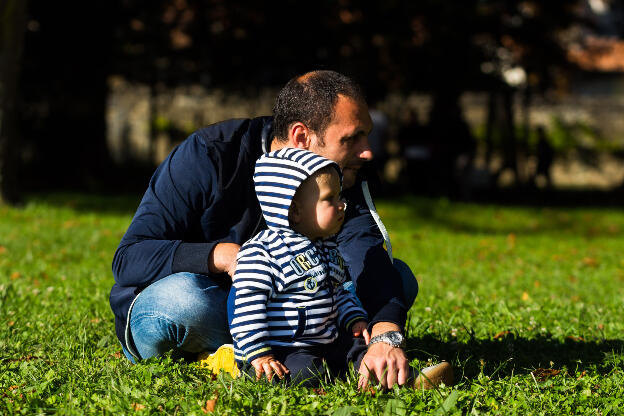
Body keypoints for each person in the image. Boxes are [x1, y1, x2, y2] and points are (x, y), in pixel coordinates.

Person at [110, 70, 452, 389]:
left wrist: (384, 335)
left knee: (397, 279)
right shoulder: (209, 155)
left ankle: (358, 362)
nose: (367, 152)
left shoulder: (339, 176)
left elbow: (364, 252)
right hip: (206, 304)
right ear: (301, 135)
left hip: (287, 310)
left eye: (367, 135)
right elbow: (129, 258)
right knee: (185, 300)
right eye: (353, 138)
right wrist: (224, 257)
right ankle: (248, 354)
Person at [229, 148, 369, 386]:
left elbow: (338, 292)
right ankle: (249, 367)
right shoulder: (264, 252)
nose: (342, 205)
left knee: (361, 346)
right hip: (281, 350)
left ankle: (383, 372)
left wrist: (354, 318)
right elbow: (247, 307)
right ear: (294, 210)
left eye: (340, 196)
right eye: (330, 199)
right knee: (305, 372)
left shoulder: (328, 248)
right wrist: (259, 352)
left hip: (324, 342)